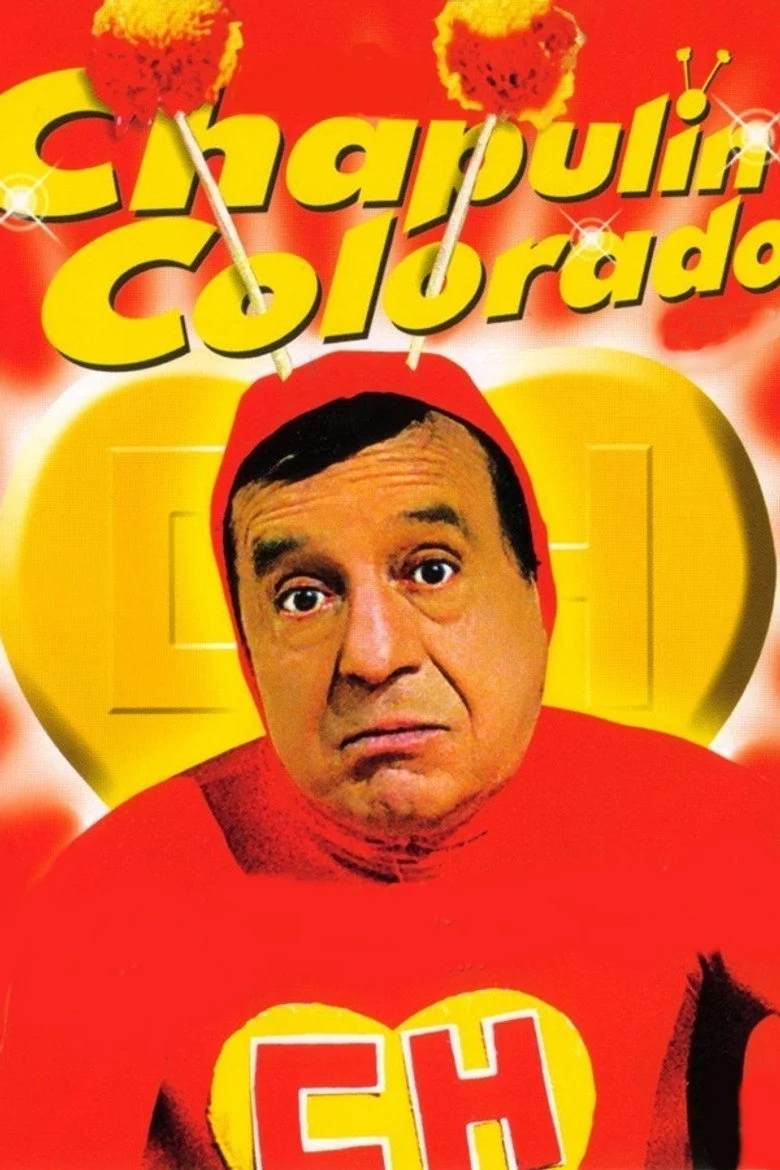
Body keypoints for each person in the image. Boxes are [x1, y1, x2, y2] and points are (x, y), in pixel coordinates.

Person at [0, 350, 778, 1169]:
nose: (372, 655)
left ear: (537, 593)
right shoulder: (109, 899)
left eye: (431, 571)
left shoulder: (705, 824)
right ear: (248, 650)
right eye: (303, 597)